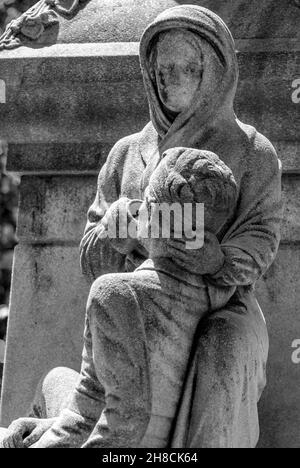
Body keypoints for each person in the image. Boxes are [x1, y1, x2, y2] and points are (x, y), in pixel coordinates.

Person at [0, 5, 282, 448]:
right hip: (143, 299)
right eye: (162, 68)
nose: (170, 78)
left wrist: (213, 257)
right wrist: (118, 232)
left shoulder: (252, 150)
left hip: (222, 306)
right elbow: (91, 257)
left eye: (186, 67)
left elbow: (260, 243)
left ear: (213, 72)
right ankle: (68, 418)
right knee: (112, 318)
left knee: (224, 348)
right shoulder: (126, 153)